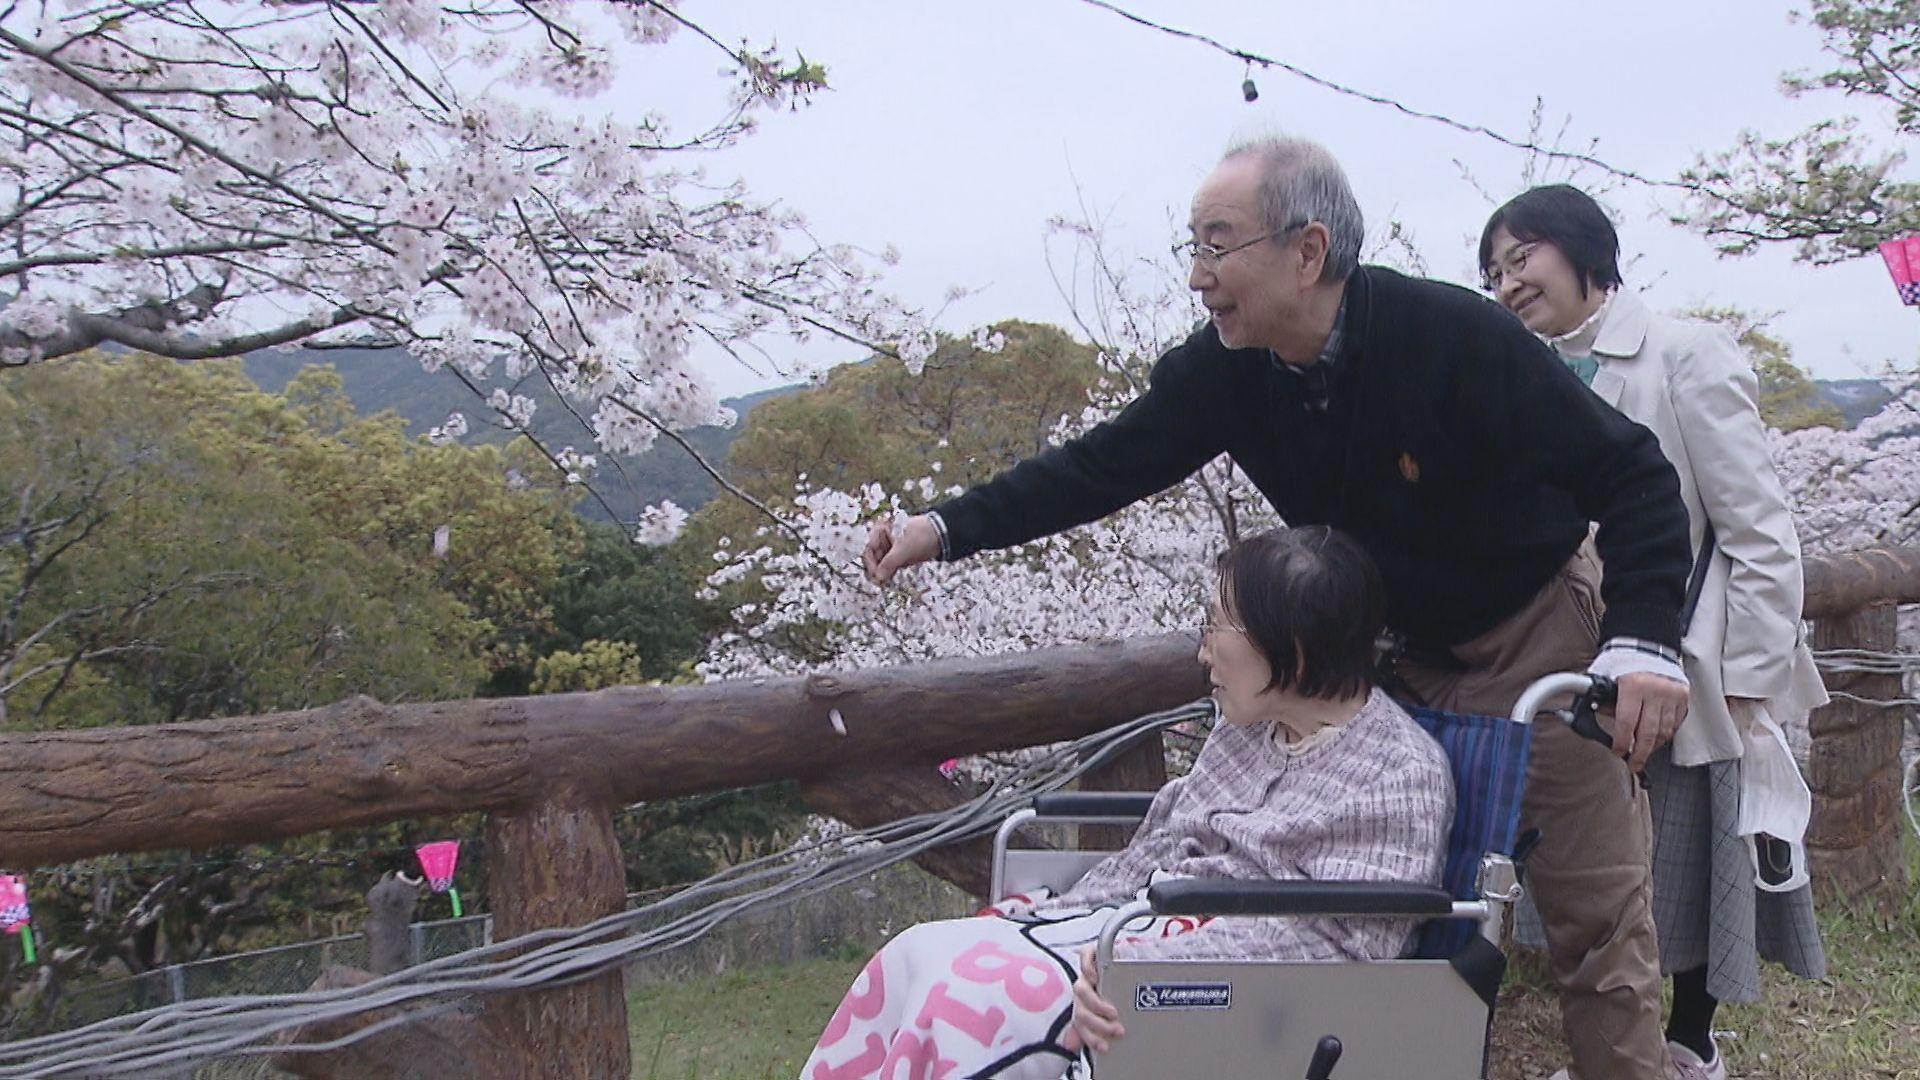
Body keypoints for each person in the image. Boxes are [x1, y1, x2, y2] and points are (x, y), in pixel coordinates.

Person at [864, 134, 1694, 1079]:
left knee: (1596, 921)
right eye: (1193, 247)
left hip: (1535, 628)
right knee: (1420, 922)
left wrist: (1643, 643)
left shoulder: (1452, 335)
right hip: (1401, 652)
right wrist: (944, 526)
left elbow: (1633, 474)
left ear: (1306, 252)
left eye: (1217, 246)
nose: (1196, 276)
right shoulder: (1228, 369)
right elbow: (1100, 466)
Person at [802, 526, 1453, 1080]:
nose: (1204, 653)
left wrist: (1137, 967)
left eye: (1220, 629)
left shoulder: (1397, 776)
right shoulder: (1248, 726)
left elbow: (1343, 951)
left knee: (975, 995)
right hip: (1147, 925)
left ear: (1296, 651)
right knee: (922, 952)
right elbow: (1166, 839)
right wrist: (1065, 913)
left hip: (1223, 987)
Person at [1481, 184, 1830, 1080]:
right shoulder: (1512, 375)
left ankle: (1691, 1046)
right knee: (1601, 877)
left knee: (1692, 856)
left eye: (1523, 258)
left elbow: (1756, 527)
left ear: (1583, 250)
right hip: (1567, 658)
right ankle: (1618, 1050)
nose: (1508, 283)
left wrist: (1751, 678)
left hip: (1688, 652)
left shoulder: (1683, 352)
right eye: (1494, 271)